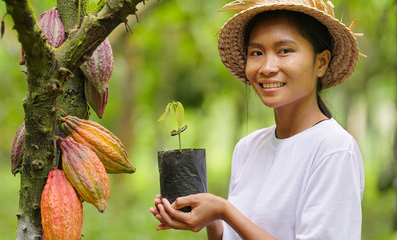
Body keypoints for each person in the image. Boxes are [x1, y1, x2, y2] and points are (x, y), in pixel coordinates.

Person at [150, 0, 365, 239]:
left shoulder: (333, 149)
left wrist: (224, 210)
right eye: (257, 53)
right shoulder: (247, 147)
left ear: (321, 62)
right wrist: (210, 219)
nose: (267, 67)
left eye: (284, 50)